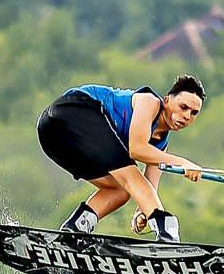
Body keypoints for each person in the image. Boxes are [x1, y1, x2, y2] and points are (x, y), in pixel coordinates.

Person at [35, 73, 210, 242]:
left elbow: (148, 187)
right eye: (183, 107)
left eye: (194, 113)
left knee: (120, 191)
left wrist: (143, 211)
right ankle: (169, 236)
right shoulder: (150, 101)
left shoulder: (160, 146)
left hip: (56, 139)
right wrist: (183, 163)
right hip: (71, 111)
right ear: (166, 101)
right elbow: (137, 149)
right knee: (130, 175)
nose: (187, 116)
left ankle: (74, 230)